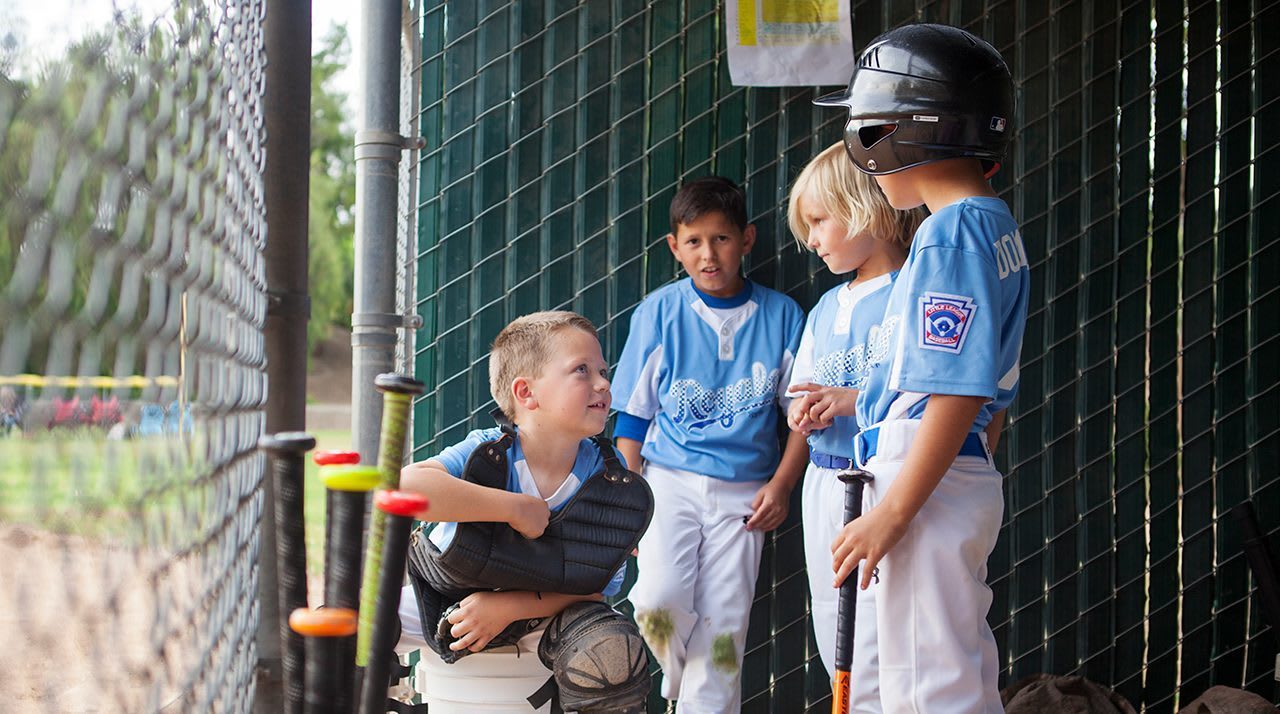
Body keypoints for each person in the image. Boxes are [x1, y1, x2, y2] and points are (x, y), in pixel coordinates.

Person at [815, 23, 1029, 713]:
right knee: (933, 674)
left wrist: (897, 513)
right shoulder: (990, 225)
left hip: (922, 472)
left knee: (927, 689)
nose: (866, 150)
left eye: (873, 131)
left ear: (919, 130)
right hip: (945, 469)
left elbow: (959, 392)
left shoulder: (952, 232)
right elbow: (990, 404)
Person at [611, 176, 808, 712]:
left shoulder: (783, 315)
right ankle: (680, 684)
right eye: (693, 241)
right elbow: (631, 421)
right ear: (675, 247)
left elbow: (802, 420)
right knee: (656, 601)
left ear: (747, 239)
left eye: (721, 239)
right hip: (667, 482)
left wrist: (782, 485)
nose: (708, 254)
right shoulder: (658, 312)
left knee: (725, 627)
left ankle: (703, 702)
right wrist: (630, 499)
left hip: (746, 494)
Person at [395, 310, 652, 713]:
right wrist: (514, 508)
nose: (603, 382)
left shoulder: (608, 475)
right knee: (340, 628)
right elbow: (406, 486)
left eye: (603, 369)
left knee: (612, 654)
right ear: (526, 393)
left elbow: (597, 585)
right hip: (451, 603)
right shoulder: (491, 453)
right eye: (581, 370)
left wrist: (508, 606)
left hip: (550, 612)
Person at [782, 141, 922, 681]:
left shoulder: (912, 289)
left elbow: (927, 397)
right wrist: (808, 412)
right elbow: (802, 393)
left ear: (865, 206)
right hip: (824, 480)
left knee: (889, 630)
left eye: (819, 221)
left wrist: (852, 401)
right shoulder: (823, 307)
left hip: (887, 479)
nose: (812, 240)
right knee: (836, 629)